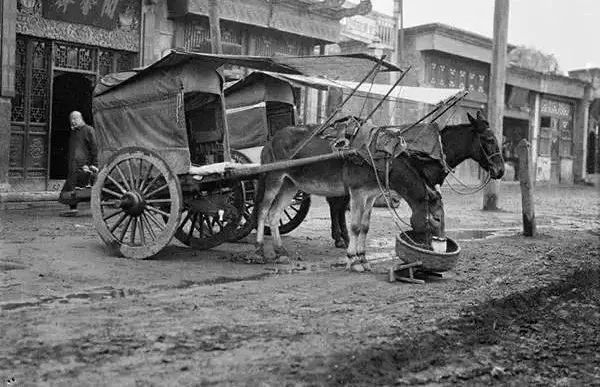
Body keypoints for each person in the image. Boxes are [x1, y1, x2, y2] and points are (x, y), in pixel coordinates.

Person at [58, 111, 99, 217]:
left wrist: (93, 164)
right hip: (74, 166)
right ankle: (73, 208)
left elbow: (94, 148)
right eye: (71, 119)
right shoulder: (74, 132)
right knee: (72, 186)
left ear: (81, 118)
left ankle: (93, 208)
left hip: (85, 166)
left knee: (85, 187)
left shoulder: (89, 130)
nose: (73, 121)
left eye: (75, 119)